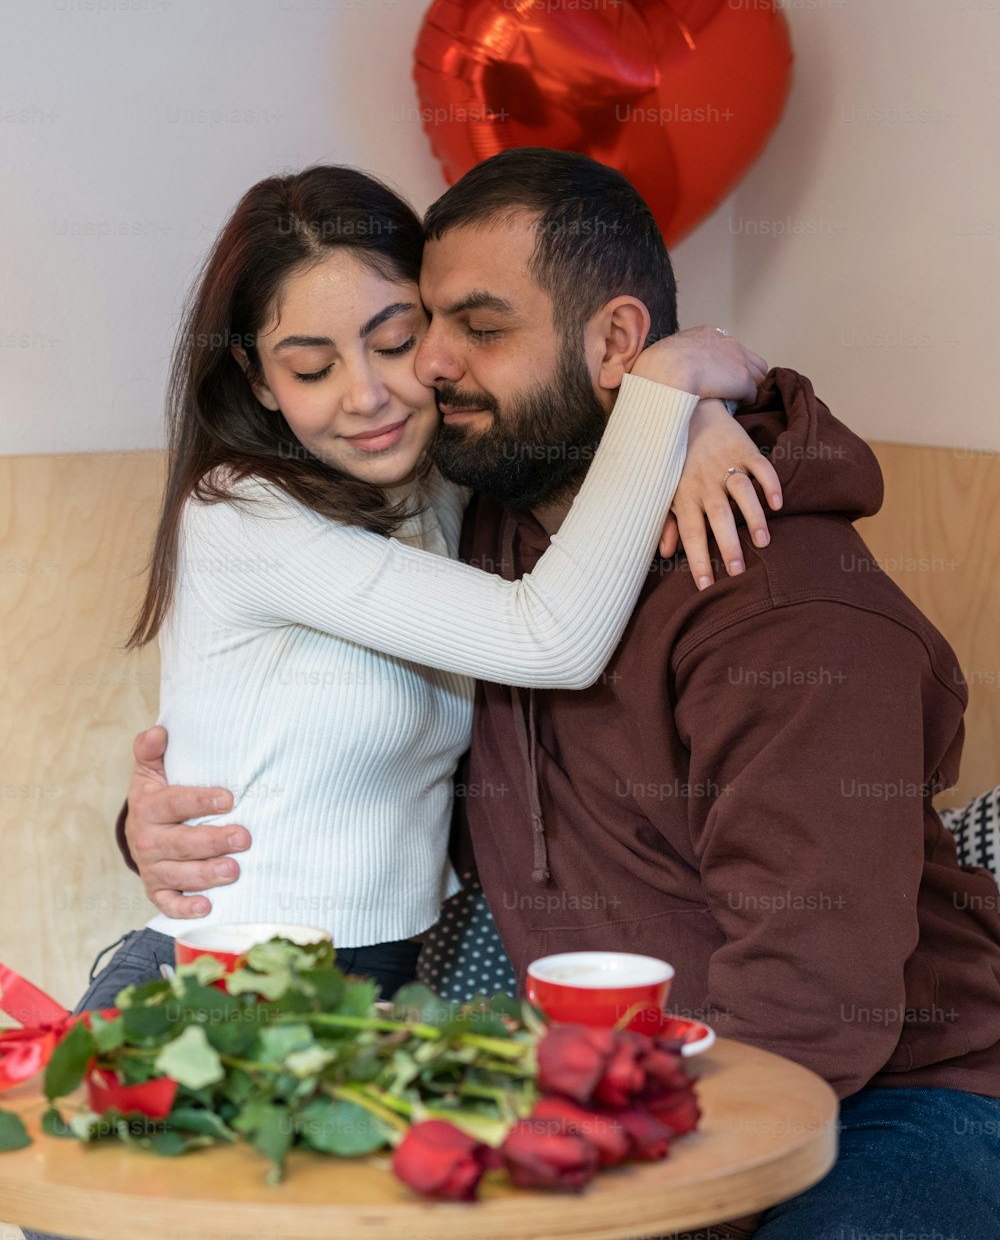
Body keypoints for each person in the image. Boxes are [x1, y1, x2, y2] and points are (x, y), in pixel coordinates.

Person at [128, 149, 1000, 1239]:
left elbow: (809, 1006)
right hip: (592, 1075)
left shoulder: (784, 609)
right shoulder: (474, 522)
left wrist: (693, 407)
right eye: (424, 329)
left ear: (617, 346)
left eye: (469, 331)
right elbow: (338, 745)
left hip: (891, 1093)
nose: (424, 371)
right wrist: (154, 822)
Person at [79, 162, 770, 1008]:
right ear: (259, 380)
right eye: (309, 367)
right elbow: (548, 639)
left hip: (384, 981)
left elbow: (583, 427)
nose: (366, 396)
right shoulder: (240, 514)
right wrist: (669, 392)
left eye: (396, 342)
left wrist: (697, 415)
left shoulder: (447, 484)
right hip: (237, 986)